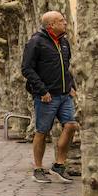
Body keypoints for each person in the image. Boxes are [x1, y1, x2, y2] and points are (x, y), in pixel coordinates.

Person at [21, 10, 78, 184]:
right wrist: (42, 91)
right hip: (46, 96)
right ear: (51, 25)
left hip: (64, 94)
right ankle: (38, 168)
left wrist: (71, 87)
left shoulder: (64, 42)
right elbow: (27, 69)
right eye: (61, 20)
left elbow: (66, 68)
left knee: (71, 125)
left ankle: (59, 165)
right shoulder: (36, 42)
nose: (66, 22)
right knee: (42, 131)